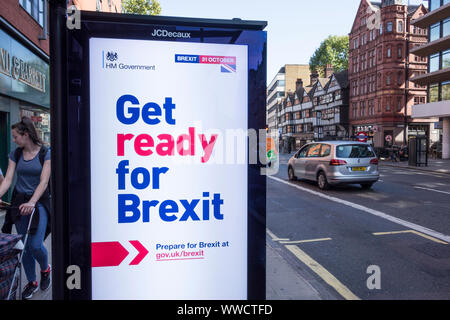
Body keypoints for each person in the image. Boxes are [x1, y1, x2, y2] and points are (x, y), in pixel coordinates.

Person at [0, 117, 51, 300]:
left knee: (36, 245)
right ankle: (32, 282)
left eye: (15, 136)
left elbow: (44, 181)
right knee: (25, 247)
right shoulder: (16, 154)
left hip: (39, 202)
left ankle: (45, 269)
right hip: (19, 201)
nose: (13, 140)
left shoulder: (46, 153)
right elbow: (7, 179)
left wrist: (32, 202)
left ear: (26, 135)